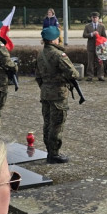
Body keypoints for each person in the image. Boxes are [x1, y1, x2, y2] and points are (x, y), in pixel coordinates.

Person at [35, 26, 77, 164]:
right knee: (57, 124)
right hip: (58, 94)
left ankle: (49, 151)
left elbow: (38, 76)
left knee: (47, 123)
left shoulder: (40, 55)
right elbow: (73, 73)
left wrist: (45, 86)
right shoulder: (59, 55)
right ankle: (54, 154)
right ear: (54, 39)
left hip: (45, 93)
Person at [82, 12, 106, 82]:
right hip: (91, 46)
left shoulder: (102, 26)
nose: (95, 19)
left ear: (98, 18)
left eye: (96, 17)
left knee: (100, 62)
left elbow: (104, 36)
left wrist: (103, 44)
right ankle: (90, 75)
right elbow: (84, 35)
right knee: (90, 62)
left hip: (99, 47)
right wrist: (92, 34)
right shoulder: (87, 26)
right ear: (91, 18)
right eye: (93, 17)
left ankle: (100, 75)